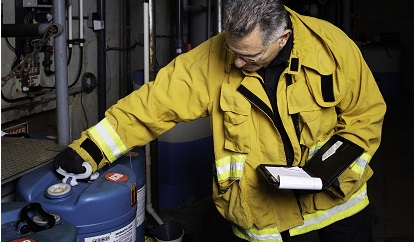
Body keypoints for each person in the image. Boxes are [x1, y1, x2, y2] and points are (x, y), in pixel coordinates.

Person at [53, 0, 386, 241]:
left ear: (282, 38)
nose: (237, 62)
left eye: (249, 56)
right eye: (233, 51)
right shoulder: (213, 58)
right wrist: (90, 149)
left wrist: (334, 169)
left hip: (339, 209)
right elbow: (152, 104)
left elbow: (366, 113)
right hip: (264, 221)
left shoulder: (332, 48)